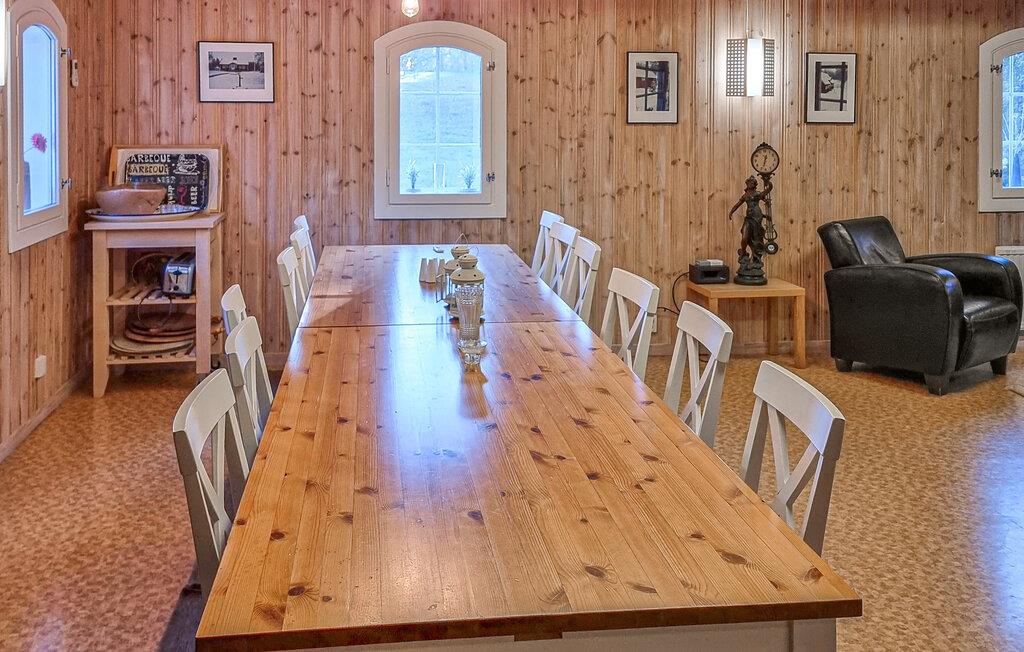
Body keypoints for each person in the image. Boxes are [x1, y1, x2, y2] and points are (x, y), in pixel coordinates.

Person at [728, 175, 773, 262]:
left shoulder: (757, 194)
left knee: (756, 238)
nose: (749, 184)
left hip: (756, 217)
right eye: (748, 183)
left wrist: (770, 185)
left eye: (751, 183)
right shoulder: (745, 195)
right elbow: (737, 204)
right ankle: (743, 252)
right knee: (744, 237)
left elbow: (766, 191)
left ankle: (755, 256)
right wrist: (731, 212)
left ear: (754, 185)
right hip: (748, 218)